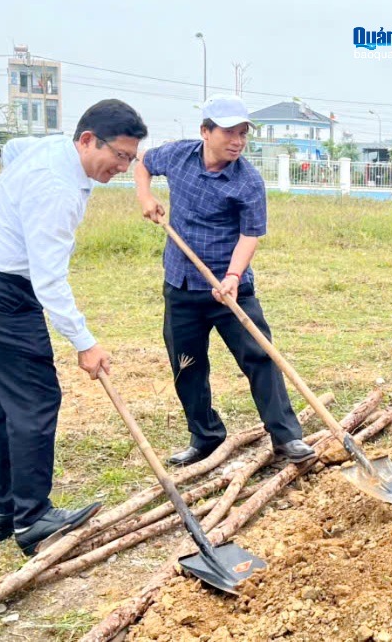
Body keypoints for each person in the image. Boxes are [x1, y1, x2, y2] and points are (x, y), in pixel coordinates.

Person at [0, 99, 149, 556]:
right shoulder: (57, 187)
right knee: (36, 400)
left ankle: (1, 511)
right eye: (118, 155)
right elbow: (49, 278)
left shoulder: (52, 151)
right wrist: (85, 343)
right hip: (0, 297)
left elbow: (14, 149)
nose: (122, 167)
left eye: (130, 159)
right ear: (86, 140)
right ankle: (33, 518)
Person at [134, 94, 316, 467]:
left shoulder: (248, 181)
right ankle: (205, 437)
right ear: (205, 131)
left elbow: (250, 235)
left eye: (243, 134)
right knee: (187, 364)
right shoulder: (178, 156)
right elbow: (142, 163)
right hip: (182, 284)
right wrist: (145, 196)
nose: (237, 141)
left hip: (230, 288)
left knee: (261, 357)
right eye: (229, 133)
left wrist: (232, 277)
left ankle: (286, 439)